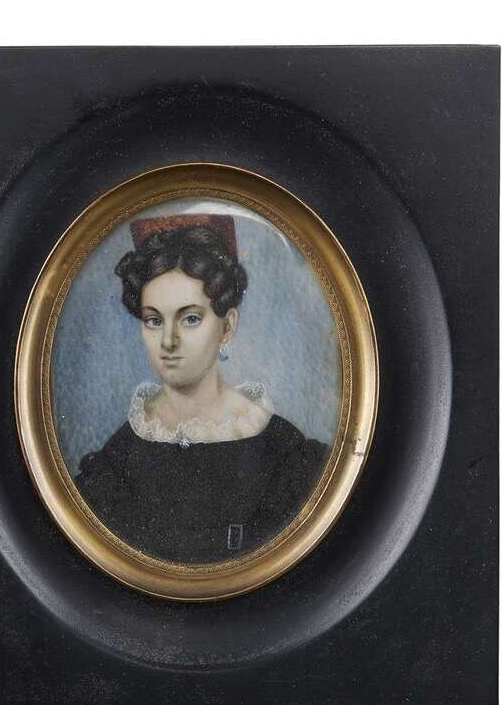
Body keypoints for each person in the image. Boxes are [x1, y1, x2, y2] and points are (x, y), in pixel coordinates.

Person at [75, 213, 328, 564]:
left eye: (190, 318)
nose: (168, 340)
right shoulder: (116, 461)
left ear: (227, 326)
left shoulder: (285, 454)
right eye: (154, 320)